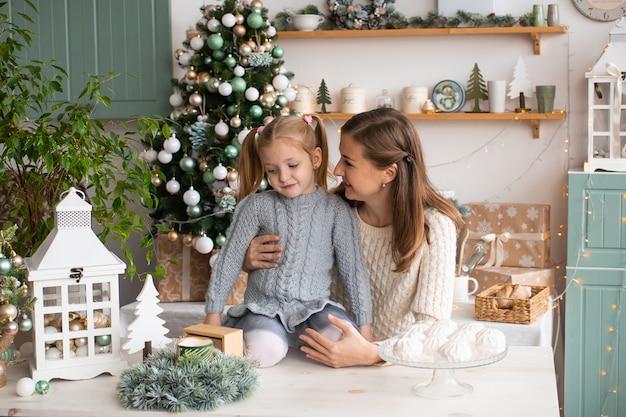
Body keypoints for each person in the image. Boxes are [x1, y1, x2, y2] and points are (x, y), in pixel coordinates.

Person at [243, 108, 464, 368]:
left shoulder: (434, 227)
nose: (336, 170)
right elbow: (284, 281)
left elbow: (433, 331)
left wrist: (374, 353)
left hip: (397, 369)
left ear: (388, 173)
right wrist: (248, 261)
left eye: (348, 162)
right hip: (311, 360)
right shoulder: (334, 211)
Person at [204, 114, 373, 368]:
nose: (283, 176)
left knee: (343, 339)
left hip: (315, 308)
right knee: (264, 352)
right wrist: (212, 315)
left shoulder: (336, 211)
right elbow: (228, 260)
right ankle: (255, 341)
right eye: (272, 170)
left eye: (292, 165)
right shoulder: (256, 206)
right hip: (264, 307)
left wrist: (365, 329)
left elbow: (354, 271)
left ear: (315, 158)